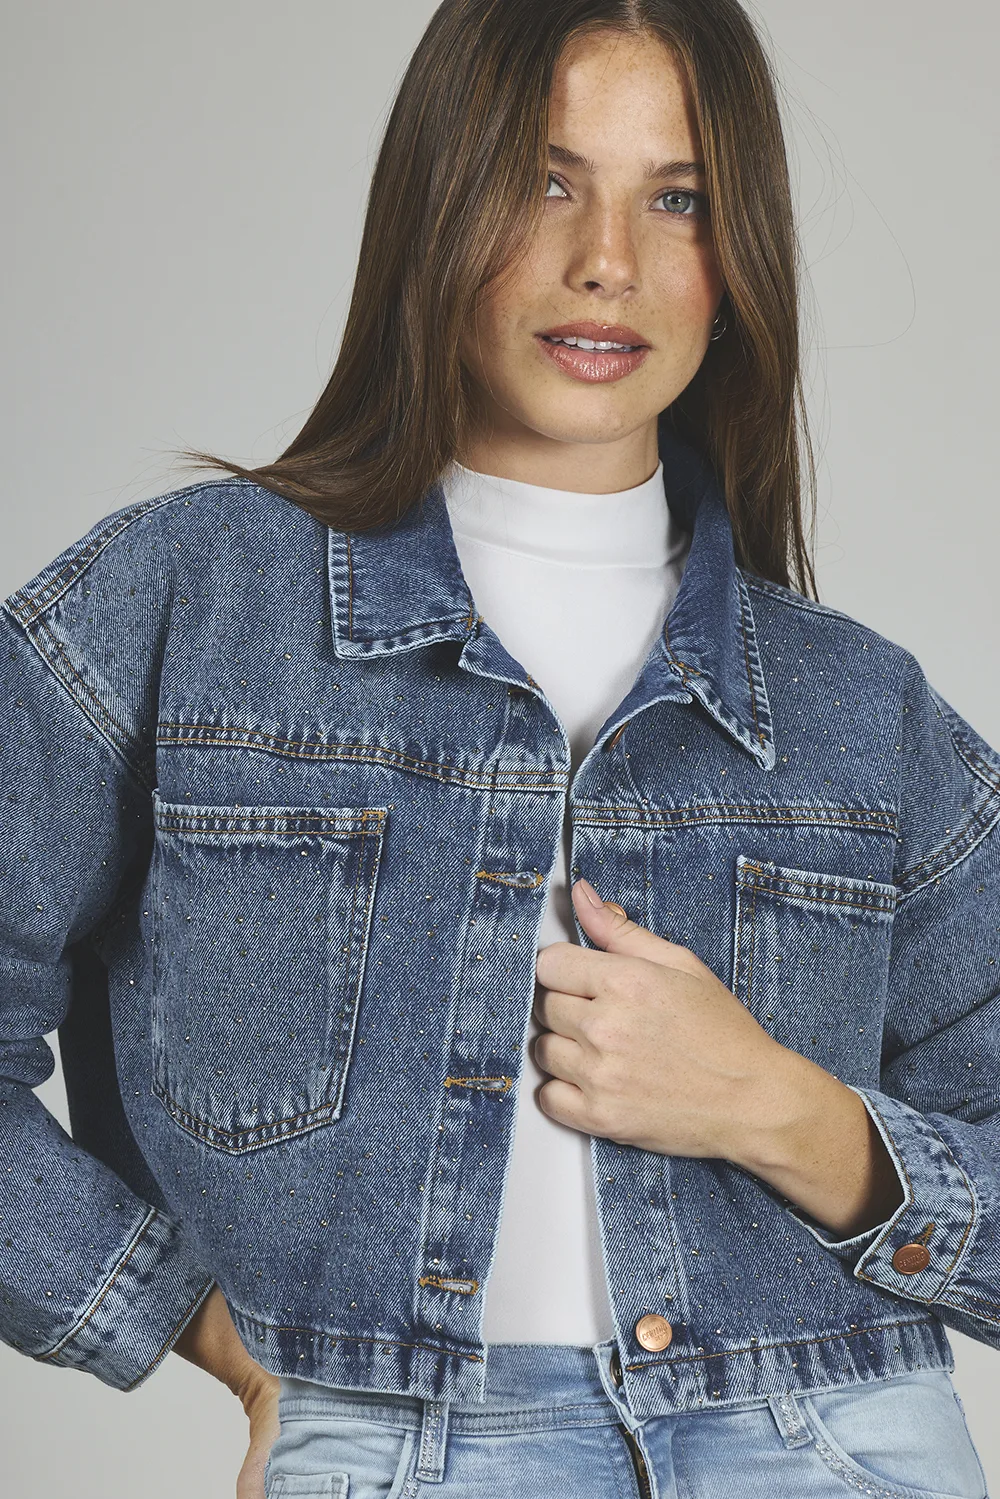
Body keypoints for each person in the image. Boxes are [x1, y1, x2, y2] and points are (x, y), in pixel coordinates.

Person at [1, 1, 996, 1495]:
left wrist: (780, 1108)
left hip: (835, 1438)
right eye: (546, 181)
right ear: (435, 202)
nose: (609, 259)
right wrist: (202, 1332)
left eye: (679, 198)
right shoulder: (185, 602)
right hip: (403, 1447)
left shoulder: (860, 709)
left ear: (739, 261)